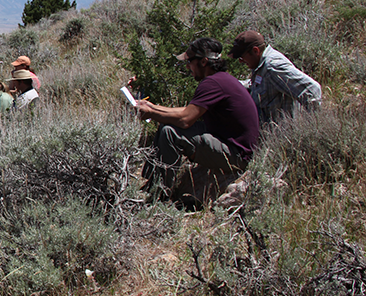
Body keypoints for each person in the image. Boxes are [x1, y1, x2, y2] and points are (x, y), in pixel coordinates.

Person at [136, 37, 260, 194]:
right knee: (166, 126)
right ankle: (152, 182)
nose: (188, 67)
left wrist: (151, 113)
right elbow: (189, 110)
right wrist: (153, 108)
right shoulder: (220, 79)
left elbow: (185, 119)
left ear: (203, 62)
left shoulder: (212, 83)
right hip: (233, 147)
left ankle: (160, 193)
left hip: (237, 155)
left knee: (170, 132)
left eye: (189, 61)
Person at [227, 30, 322, 124]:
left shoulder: (273, 66)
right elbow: (259, 85)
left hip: (281, 136)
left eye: (242, 57)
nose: (240, 61)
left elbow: (312, 89)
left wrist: (312, 126)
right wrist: (233, 84)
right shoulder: (260, 64)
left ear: (255, 51)